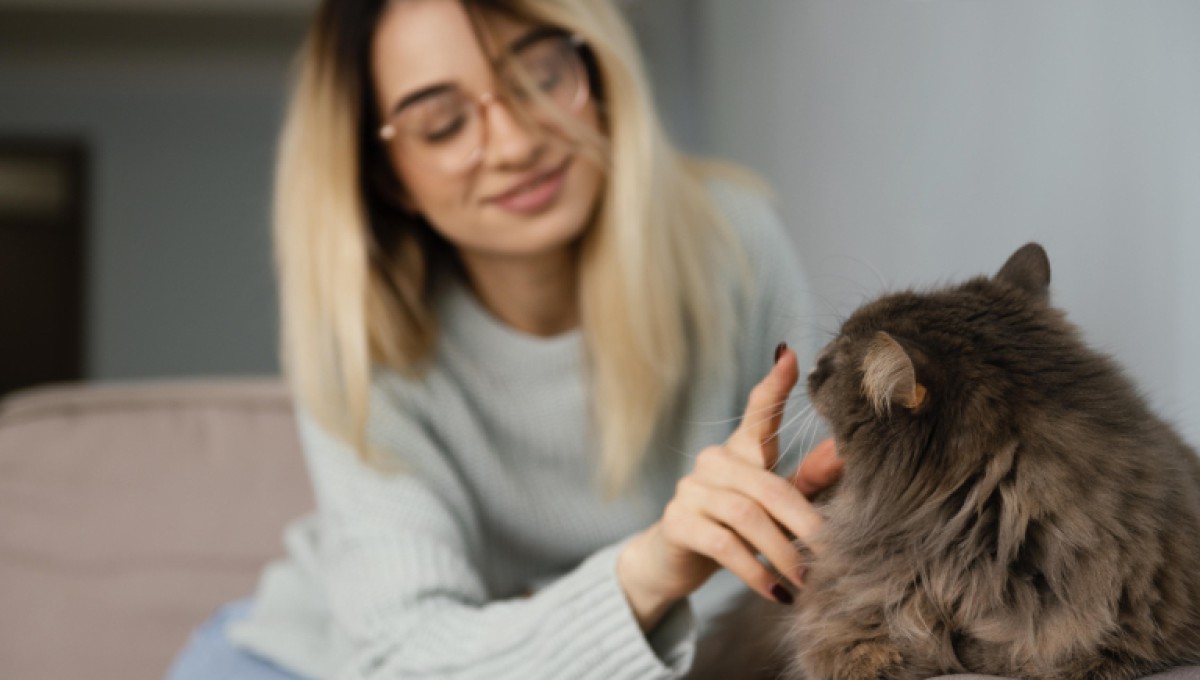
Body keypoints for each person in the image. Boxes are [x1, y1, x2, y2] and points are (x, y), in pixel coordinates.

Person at [166, 0, 842, 678]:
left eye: (542, 77)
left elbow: (812, 553)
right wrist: (647, 572)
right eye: (442, 123)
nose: (516, 144)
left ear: (597, 70)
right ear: (386, 175)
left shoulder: (732, 244)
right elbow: (407, 655)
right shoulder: (360, 335)